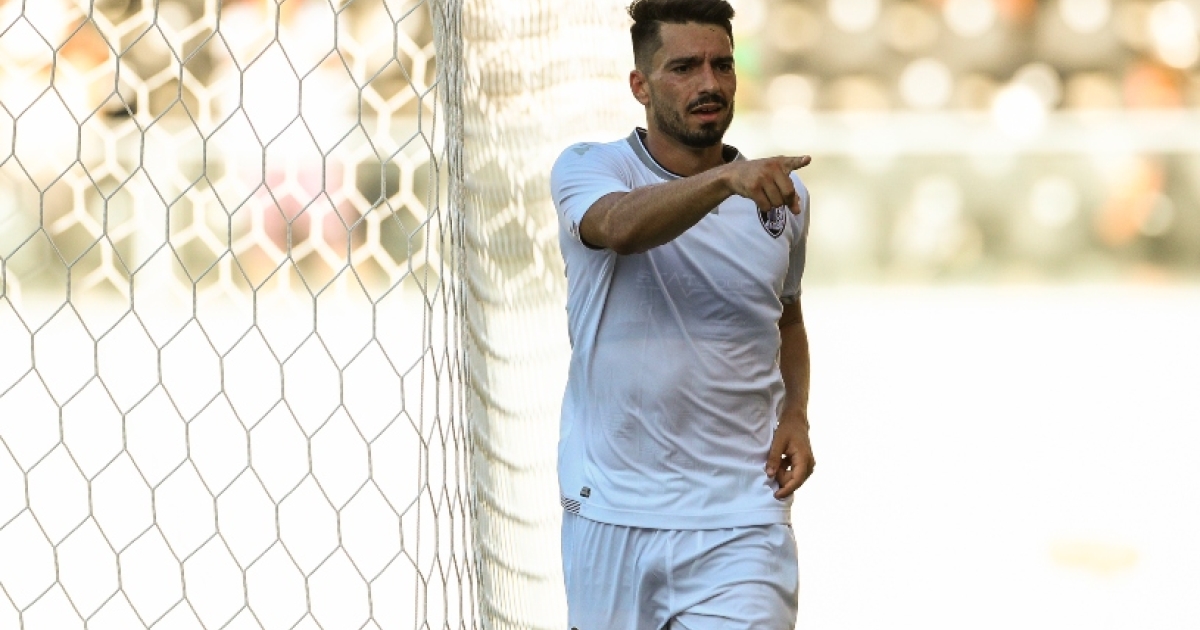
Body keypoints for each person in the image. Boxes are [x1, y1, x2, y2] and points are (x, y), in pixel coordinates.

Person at [549, 0, 816, 627]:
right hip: (611, 509)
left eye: (722, 65)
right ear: (640, 85)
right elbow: (619, 229)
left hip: (741, 518)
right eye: (684, 67)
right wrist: (724, 182)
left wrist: (797, 413)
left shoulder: (782, 194)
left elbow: (787, 317)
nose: (709, 83)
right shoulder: (590, 167)